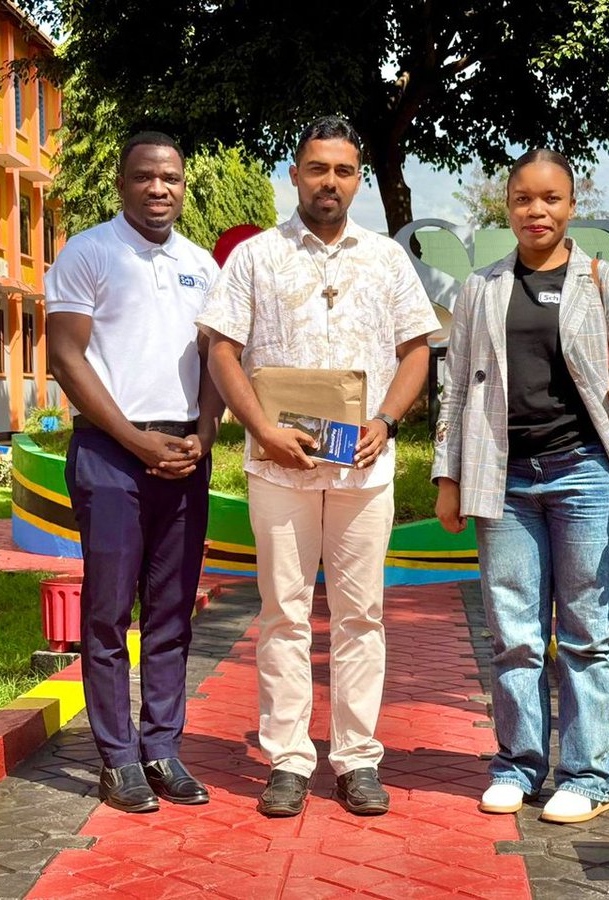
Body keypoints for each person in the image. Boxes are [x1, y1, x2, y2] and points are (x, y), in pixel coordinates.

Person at [198, 116, 439, 818]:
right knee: (284, 612)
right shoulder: (255, 258)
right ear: (295, 174)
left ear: (357, 179)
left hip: (363, 470)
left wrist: (385, 422)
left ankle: (358, 758)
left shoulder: (387, 260)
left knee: (363, 614)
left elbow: (417, 349)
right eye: (316, 168)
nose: (329, 181)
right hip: (280, 469)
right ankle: (288, 759)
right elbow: (221, 349)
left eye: (342, 170)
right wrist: (261, 430)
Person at [432, 149, 609, 824]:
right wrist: (447, 475)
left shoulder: (601, 280)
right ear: (506, 206)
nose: (536, 211)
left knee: (588, 631)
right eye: (522, 199)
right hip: (503, 478)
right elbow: (456, 389)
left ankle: (587, 775)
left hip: (586, 475)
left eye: (550, 199)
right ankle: (517, 765)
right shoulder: (481, 287)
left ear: (572, 205)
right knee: (513, 633)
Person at [46, 131, 222, 813]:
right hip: (111, 452)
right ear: (122, 183)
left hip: (184, 454)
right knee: (109, 612)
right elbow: (66, 358)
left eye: (170, 178)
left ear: (183, 187)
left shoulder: (203, 265)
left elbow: (218, 360)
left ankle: (163, 749)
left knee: (173, 610)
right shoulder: (89, 253)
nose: (158, 188)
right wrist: (135, 440)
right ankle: (117, 759)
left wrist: (204, 434)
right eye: (145, 176)